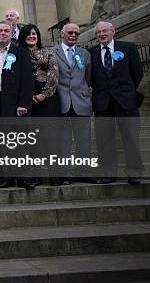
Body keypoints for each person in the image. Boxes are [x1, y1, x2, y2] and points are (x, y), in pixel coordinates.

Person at [89, 21, 144, 185]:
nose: (102, 34)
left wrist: (125, 90)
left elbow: (137, 73)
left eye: (105, 31)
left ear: (113, 32)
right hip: (102, 103)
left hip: (126, 101)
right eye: (98, 32)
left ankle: (134, 172)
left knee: (131, 138)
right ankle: (108, 173)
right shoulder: (90, 53)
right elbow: (90, 78)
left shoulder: (128, 48)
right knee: (104, 140)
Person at [0, 20, 33, 189]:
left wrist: (24, 103)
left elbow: (27, 80)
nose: (2, 33)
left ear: (11, 33)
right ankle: (6, 177)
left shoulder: (20, 53)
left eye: (6, 31)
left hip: (15, 103)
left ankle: (23, 178)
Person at [54, 23, 96, 183]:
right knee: (63, 141)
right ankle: (66, 173)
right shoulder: (52, 52)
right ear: (62, 34)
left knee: (83, 140)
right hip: (61, 102)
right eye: (70, 32)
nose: (73, 36)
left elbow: (88, 77)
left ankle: (84, 172)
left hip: (81, 102)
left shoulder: (85, 54)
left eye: (76, 34)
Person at [18, 23, 60, 185]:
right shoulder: (19, 54)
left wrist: (43, 95)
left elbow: (54, 75)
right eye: (28, 34)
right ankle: (34, 175)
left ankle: (54, 175)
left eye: (34, 34)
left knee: (50, 138)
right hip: (26, 99)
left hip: (47, 99)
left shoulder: (48, 52)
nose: (32, 36)